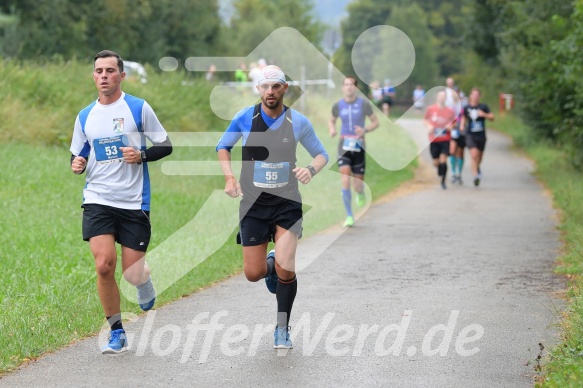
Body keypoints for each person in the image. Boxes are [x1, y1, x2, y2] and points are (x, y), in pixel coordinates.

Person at [216, 65, 328, 349]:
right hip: (253, 204)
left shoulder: (298, 122)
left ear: (284, 89)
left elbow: (321, 155)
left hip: (287, 203)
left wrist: (310, 170)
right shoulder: (245, 117)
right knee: (253, 273)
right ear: (258, 89)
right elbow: (223, 146)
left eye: (275, 86)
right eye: (265, 87)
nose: (270, 92)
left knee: (286, 270)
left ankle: (282, 328)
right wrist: (229, 176)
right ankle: (271, 264)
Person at [70, 50, 173, 354]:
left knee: (131, 272)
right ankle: (116, 331)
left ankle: (143, 280)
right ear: (94, 76)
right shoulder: (85, 115)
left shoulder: (138, 109)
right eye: (99, 71)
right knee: (104, 265)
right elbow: (79, 152)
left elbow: (165, 145)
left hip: (133, 202)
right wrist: (76, 163)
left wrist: (141, 155)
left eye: (110, 71)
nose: (104, 76)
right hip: (98, 198)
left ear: (121, 75)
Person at [328, 76, 379, 227]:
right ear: (343, 88)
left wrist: (365, 129)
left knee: (357, 184)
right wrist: (332, 129)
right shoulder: (338, 105)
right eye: (346, 85)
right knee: (345, 179)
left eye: (351, 85)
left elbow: (376, 122)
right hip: (343, 144)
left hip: (359, 145)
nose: (349, 87)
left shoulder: (364, 104)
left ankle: (360, 192)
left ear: (355, 88)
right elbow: (331, 120)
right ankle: (349, 215)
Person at [460, 87, 495, 186]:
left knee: (479, 158)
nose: (475, 97)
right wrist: (462, 125)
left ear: (479, 96)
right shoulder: (466, 108)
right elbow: (463, 117)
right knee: (474, 155)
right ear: (470, 96)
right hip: (470, 135)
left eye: (477, 95)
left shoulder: (483, 107)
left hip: (481, 136)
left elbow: (492, 117)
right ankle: (475, 176)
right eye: (473, 94)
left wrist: (484, 114)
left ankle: (477, 168)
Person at [423, 91, 456, 189]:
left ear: (446, 99)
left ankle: (443, 181)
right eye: (440, 96)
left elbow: (454, 123)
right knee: (436, 162)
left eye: (444, 97)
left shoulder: (450, 111)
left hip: (445, 139)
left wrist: (450, 126)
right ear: (437, 97)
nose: (442, 98)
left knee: (443, 160)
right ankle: (440, 170)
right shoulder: (431, 109)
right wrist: (428, 126)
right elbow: (425, 120)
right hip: (434, 140)